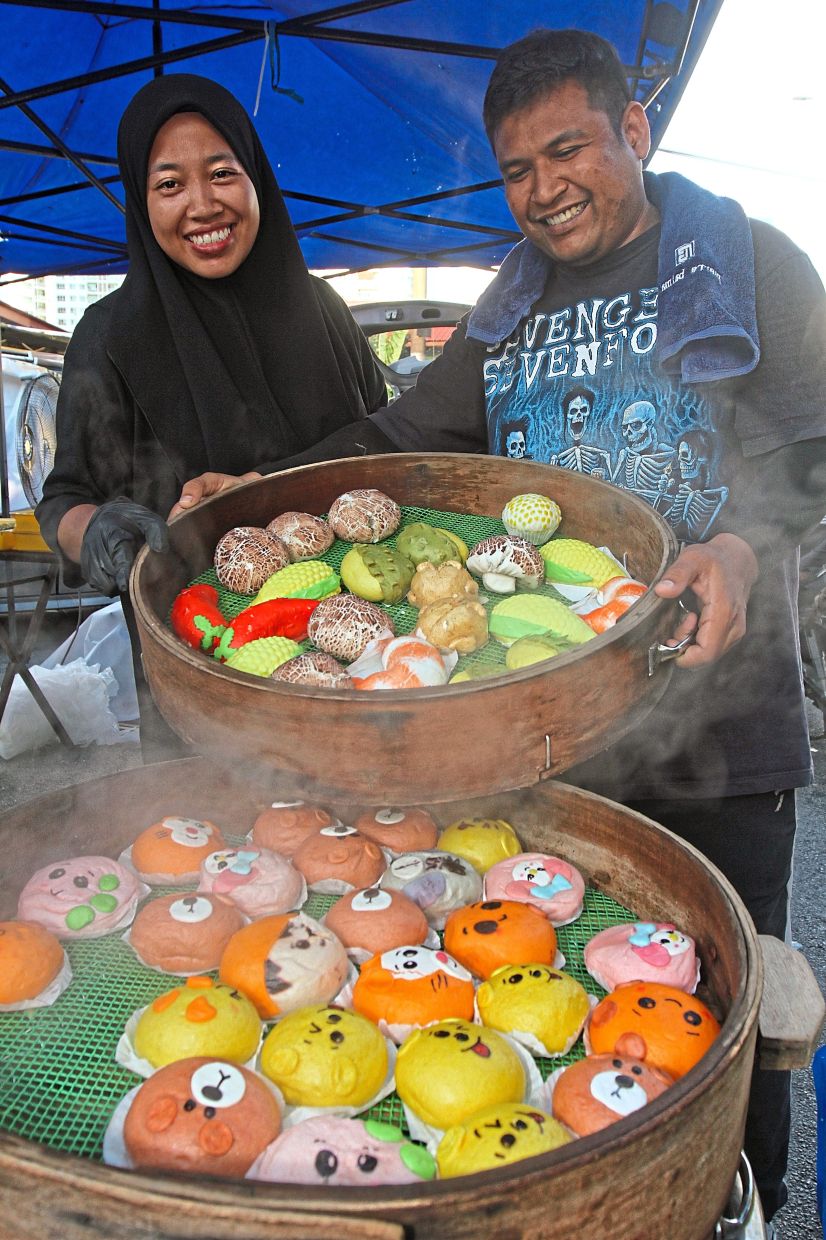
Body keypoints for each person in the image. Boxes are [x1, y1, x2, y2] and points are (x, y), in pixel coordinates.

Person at [175, 28, 826, 1224]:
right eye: (517, 170)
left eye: (567, 149)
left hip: (719, 731)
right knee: (547, 990)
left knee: (718, 1014)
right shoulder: (508, 305)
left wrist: (738, 548)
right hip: (551, 733)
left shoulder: (748, 259)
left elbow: (809, 455)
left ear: (633, 131)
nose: (543, 189)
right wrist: (255, 488)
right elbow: (395, 441)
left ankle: (737, 1203)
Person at [36, 73, 386, 751]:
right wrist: (97, 529)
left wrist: (277, 482)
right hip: (197, 670)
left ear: (256, 178)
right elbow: (64, 501)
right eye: (169, 185)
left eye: (221, 173)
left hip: (362, 648)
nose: (201, 205)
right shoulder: (110, 337)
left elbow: (387, 442)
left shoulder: (322, 312)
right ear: (142, 204)